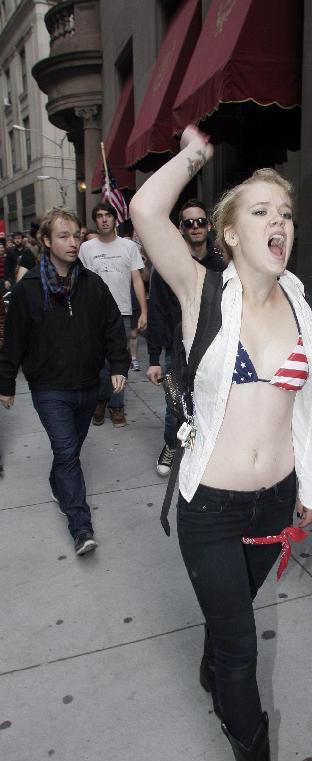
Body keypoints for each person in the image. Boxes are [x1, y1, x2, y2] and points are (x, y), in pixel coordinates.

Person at [130, 125, 312, 761]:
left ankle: (216, 656)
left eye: (285, 213)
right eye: (260, 212)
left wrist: (309, 487)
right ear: (226, 231)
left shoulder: (302, 306)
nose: (278, 224)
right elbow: (147, 215)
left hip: (274, 503)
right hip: (210, 510)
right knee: (242, 653)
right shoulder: (199, 292)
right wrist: (190, 158)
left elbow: (306, 409)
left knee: (232, 624)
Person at [0, 208, 129, 554]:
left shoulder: (91, 284)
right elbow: (13, 340)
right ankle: (81, 526)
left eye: (76, 235)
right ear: (45, 241)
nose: (73, 243)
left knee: (71, 449)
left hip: (88, 384)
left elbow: (113, 326)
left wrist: (118, 363)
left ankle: (58, 482)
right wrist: (6, 382)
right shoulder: (29, 290)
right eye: (63, 236)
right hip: (49, 388)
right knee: (67, 451)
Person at [146, 198, 225, 477]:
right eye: (189, 223)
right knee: (176, 406)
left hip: (215, 347)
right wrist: (154, 358)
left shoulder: (223, 265)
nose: (195, 227)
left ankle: (191, 447)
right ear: (180, 228)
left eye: (200, 221)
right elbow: (156, 312)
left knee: (207, 405)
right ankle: (172, 445)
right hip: (178, 351)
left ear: (209, 225)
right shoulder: (166, 266)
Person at [79, 202, 148, 426]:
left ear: (114, 219)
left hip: (123, 312)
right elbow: (80, 282)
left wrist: (143, 310)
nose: (104, 219)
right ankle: (100, 401)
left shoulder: (128, 247)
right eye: (99, 216)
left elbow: (137, 279)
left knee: (119, 361)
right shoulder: (86, 249)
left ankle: (117, 406)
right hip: (93, 315)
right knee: (98, 362)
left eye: (108, 215)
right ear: (95, 221)